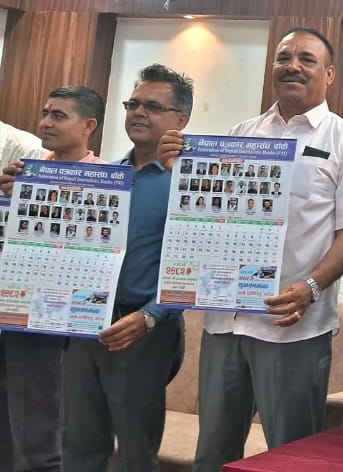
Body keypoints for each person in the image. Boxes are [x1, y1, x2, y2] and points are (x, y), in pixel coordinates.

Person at [162, 28, 343, 471]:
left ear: (329, 74)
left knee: (291, 457)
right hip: (226, 322)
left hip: (292, 326)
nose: (292, 66)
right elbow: (213, 216)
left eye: (306, 59)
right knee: (213, 455)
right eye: (284, 57)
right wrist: (178, 170)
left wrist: (311, 286)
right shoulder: (241, 134)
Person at [62, 66, 194, 472]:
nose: (139, 112)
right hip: (84, 325)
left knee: (135, 455)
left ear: (181, 120)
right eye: (133, 103)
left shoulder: (189, 184)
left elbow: (195, 266)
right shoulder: (105, 177)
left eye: (153, 106)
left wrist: (151, 316)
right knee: (78, 448)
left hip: (143, 330)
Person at [0, 86, 107, 472]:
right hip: (9, 310)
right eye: (45, 113)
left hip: (54, 324)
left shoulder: (105, 181)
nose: (46, 122)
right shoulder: (23, 171)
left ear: (88, 126)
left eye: (59, 116)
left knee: (41, 443)